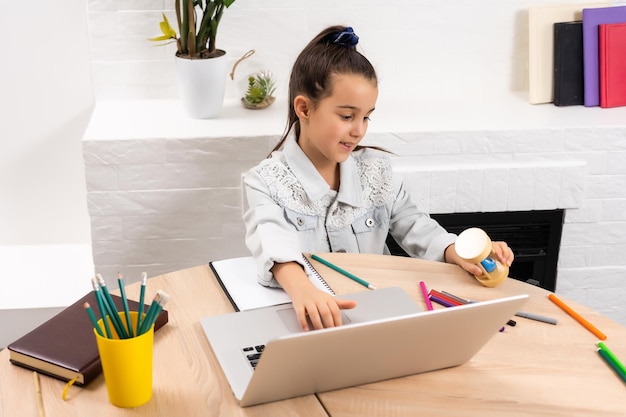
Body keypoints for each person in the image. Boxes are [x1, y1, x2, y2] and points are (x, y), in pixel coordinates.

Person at [242, 25, 514, 332]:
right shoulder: (264, 181)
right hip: (310, 323)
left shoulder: (378, 172)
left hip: (378, 317)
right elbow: (272, 240)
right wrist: (302, 289)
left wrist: (459, 253)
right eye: (347, 116)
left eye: (367, 116)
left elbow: (416, 226)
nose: (359, 130)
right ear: (304, 108)